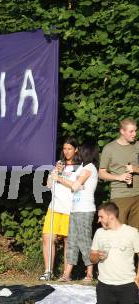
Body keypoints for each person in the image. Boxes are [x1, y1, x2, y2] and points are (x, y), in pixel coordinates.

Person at [90, 202, 139, 304]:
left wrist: (138, 276)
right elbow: (91, 256)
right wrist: (97, 256)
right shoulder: (99, 233)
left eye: (101, 216)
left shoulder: (131, 232)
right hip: (105, 285)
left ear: (111, 216)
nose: (98, 220)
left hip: (127, 285)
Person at [53, 141, 99, 282]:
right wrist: (59, 173)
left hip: (85, 209)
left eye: (82, 150)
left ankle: (90, 273)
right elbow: (73, 183)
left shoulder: (89, 168)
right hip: (75, 208)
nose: (78, 152)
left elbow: (75, 186)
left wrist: (59, 179)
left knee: (84, 240)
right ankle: (67, 274)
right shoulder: (82, 168)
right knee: (72, 240)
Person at [38, 138, 80, 281]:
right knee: (48, 238)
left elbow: (77, 186)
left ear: (76, 150)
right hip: (55, 208)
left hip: (70, 209)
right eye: (64, 149)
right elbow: (49, 185)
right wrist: (56, 171)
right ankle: (48, 271)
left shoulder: (80, 168)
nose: (66, 151)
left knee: (69, 242)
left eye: (69, 149)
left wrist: (61, 177)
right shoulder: (58, 166)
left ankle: (66, 274)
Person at [99, 118, 139, 227]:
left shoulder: (137, 145)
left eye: (135, 131)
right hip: (120, 196)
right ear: (122, 131)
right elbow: (101, 173)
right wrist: (119, 177)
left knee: (136, 234)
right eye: (131, 131)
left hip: (137, 196)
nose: (134, 134)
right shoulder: (109, 148)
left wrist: (135, 169)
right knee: (119, 232)